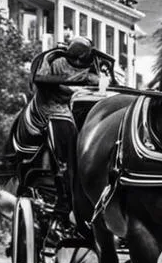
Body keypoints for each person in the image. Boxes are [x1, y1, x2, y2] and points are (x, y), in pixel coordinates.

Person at [9, 36, 104, 238]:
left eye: (81, 61)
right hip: (53, 108)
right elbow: (40, 80)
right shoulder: (54, 61)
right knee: (63, 128)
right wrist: (70, 83)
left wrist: (94, 83)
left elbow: (102, 82)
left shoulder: (95, 66)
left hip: (82, 107)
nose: (77, 64)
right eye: (74, 60)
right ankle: (66, 172)